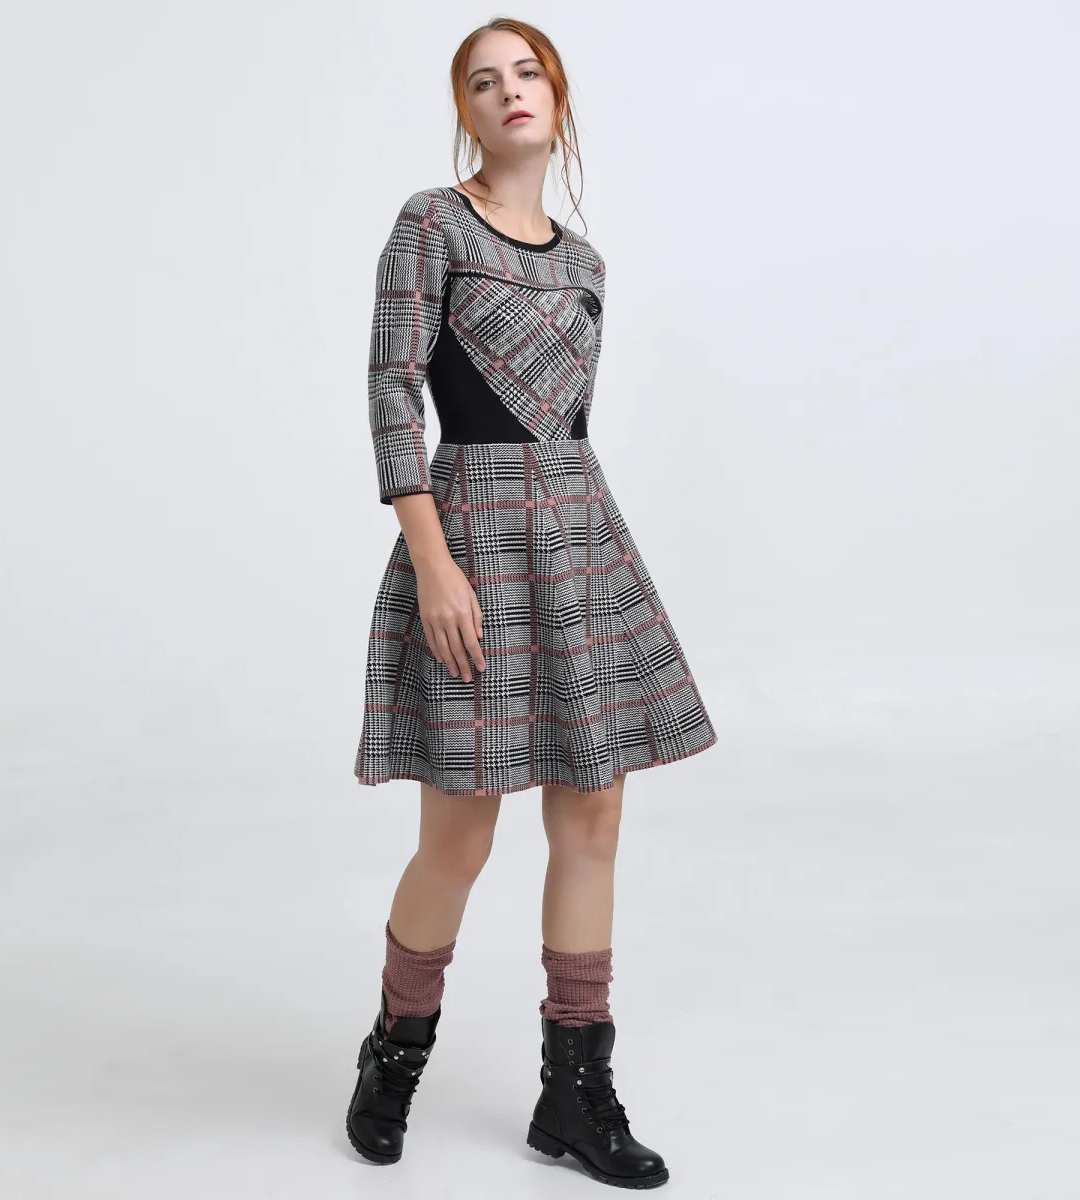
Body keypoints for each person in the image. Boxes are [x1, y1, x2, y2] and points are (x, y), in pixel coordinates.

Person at [345, 17, 717, 1188]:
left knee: (593, 815)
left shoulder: (586, 263)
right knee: (461, 831)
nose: (509, 92)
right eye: (482, 80)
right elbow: (392, 387)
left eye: (527, 73)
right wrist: (434, 559)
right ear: (464, 109)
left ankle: (575, 1092)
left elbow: (565, 420)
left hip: (580, 534)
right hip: (470, 532)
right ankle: (395, 1051)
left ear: (556, 94)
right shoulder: (431, 223)